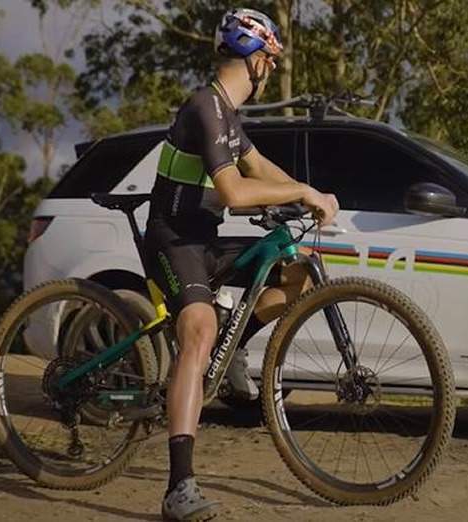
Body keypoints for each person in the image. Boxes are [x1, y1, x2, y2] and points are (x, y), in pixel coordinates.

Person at [143, 8, 339, 521]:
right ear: (255, 60)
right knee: (200, 329)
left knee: (297, 270)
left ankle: (232, 355)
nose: (270, 72)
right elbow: (233, 191)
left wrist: (306, 194)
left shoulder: (228, 114)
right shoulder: (205, 107)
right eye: (269, 62)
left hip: (202, 238)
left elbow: (257, 168)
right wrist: (300, 189)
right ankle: (178, 488)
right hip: (171, 238)